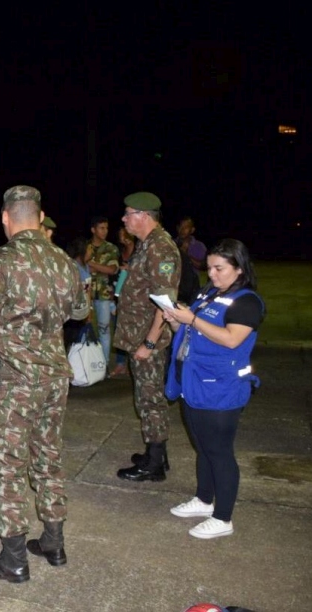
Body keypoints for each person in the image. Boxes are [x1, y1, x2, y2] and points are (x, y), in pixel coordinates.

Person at [0, 186, 88, 584]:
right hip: (56, 377)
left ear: (6, 219)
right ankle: (53, 543)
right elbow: (80, 310)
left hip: (16, 380)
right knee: (48, 456)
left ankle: (13, 559)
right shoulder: (64, 260)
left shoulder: (1, 260)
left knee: (7, 463)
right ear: (41, 219)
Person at [162, 239, 264, 539]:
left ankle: (223, 517)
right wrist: (175, 321)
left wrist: (191, 318)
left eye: (219, 268)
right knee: (202, 447)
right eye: (209, 268)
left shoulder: (246, 302)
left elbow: (232, 339)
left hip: (221, 389)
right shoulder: (209, 294)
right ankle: (204, 500)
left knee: (219, 451)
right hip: (194, 383)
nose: (213, 275)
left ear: (239, 268)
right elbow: (189, 332)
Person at [114, 192, 181, 482]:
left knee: (151, 400)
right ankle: (156, 454)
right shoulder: (146, 245)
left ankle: (153, 465)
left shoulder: (160, 249)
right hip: (138, 336)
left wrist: (149, 343)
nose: (124, 218)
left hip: (147, 340)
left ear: (144, 215)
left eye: (128, 213)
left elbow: (166, 303)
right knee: (145, 398)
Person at [84, 217, 120, 364]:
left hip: (104, 294)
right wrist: (100, 268)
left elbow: (112, 269)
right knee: (85, 329)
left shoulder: (111, 248)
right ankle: (86, 365)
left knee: (104, 330)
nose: (105, 231)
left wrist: (91, 264)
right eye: (101, 228)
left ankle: (103, 365)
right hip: (86, 294)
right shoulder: (85, 246)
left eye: (106, 228)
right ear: (93, 229)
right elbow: (77, 265)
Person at [109, 227, 137, 377]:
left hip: (134, 297)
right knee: (118, 330)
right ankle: (121, 364)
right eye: (120, 234)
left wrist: (130, 269)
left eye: (124, 234)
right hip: (118, 295)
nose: (122, 237)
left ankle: (133, 363)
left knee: (133, 331)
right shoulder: (118, 252)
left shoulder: (140, 251)